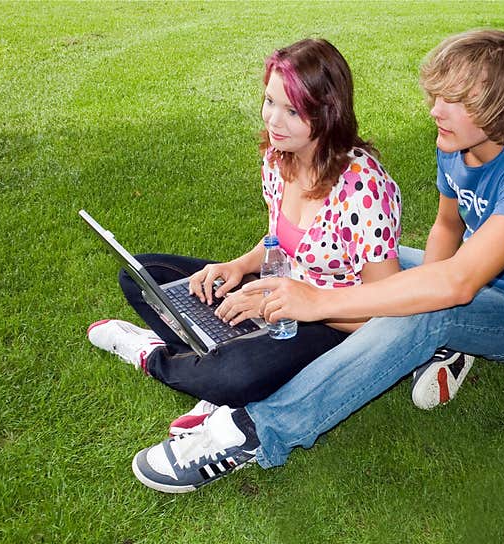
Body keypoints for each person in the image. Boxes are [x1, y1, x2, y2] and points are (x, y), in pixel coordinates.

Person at [131, 28, 504, 494]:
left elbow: (459, 283)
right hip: (466, 274)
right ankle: (435, 345)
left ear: (500, 107)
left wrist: (319, 302)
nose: (435, 110)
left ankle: (257, 432)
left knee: (422, 314)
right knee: (364, 268)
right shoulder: (457, 147)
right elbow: (447, 228)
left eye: (455, 100)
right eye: (438, 96)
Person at [87, 38, 402, 412]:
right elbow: (283, 241)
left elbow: (385, 310)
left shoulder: (364, 186)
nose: (272, 120)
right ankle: (213, 347)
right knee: (143, 275)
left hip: (330, 324)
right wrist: (236, 267)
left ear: (327, 112)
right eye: (270, 102)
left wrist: (292, 304)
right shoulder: (277, 157)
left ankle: (155, 356)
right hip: (274, 294)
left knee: (235, 377)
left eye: (292, 111)